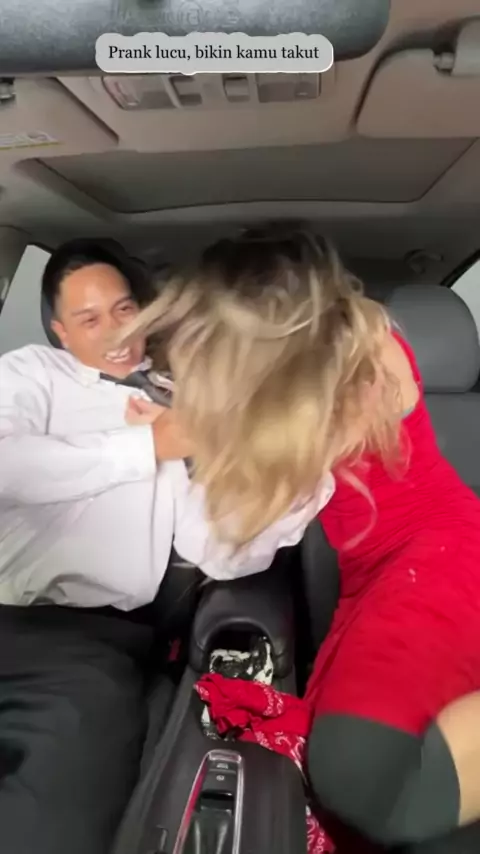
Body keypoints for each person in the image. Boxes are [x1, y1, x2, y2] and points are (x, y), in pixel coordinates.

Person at [117, 227, 480, 850]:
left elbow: (223, 553)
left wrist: (193, 444)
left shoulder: (335, 391)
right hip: (383, 569)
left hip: (439, 555)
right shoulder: (354, 332)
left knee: (363, 776)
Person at [0, 237, 331, 854]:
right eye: (89, 319)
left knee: (55, 794)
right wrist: (146, 447)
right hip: (8, 614)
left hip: (93, 643)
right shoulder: (32, 373)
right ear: (60, 332)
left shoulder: (188, 401)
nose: (116, 332)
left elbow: (218, 553)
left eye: (126, 310)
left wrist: (256, 456)